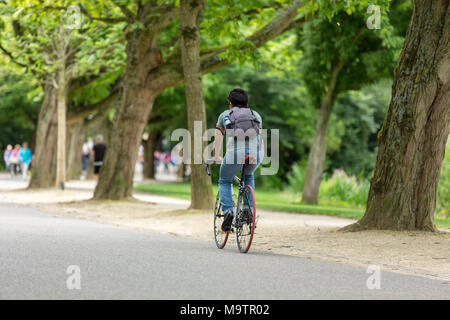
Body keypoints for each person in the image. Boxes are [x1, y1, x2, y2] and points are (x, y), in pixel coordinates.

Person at [212, 88, 263, 231]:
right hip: (255, 154)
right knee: (248, 175)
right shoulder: (256, 115)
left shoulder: (225, 115)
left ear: (230, 103)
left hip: (235, 154)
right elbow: (259, 138)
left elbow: (218, 137)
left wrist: (216, 156)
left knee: (225, 180)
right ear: (247, 103)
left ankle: (228, 211)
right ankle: (248, 210)